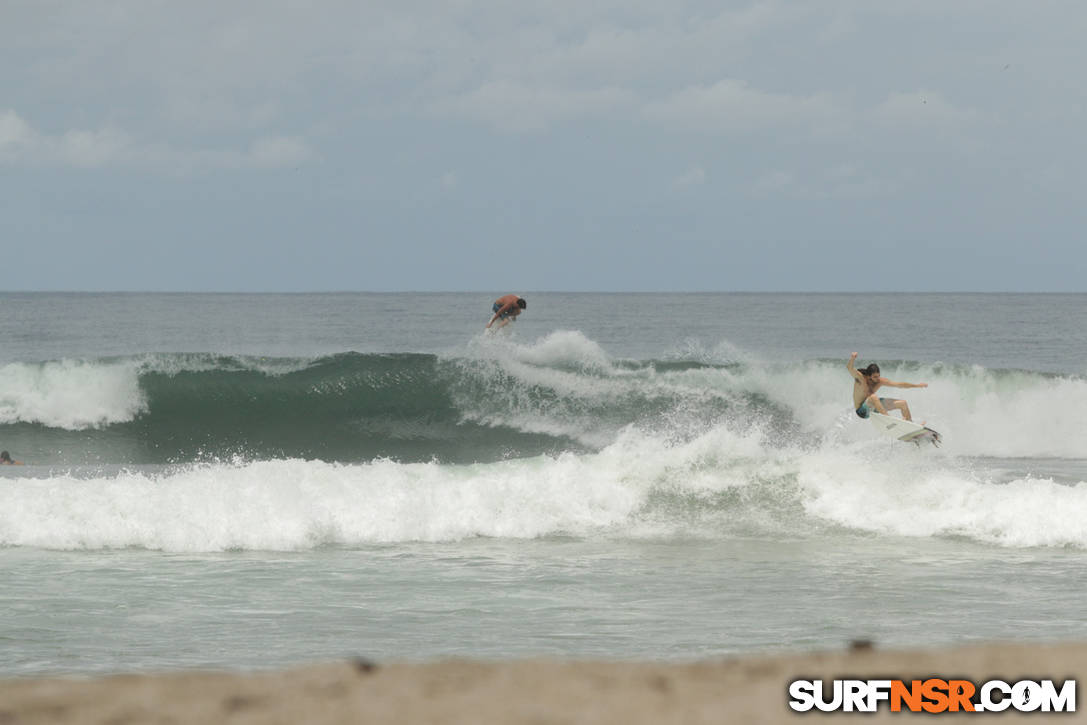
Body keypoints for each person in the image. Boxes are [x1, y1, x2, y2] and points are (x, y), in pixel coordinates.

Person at [847, 352, 928, 422]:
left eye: (878, 376)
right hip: (862, 411)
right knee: (873, 397)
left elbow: (900, 385)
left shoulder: (880, 381)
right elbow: (849, 368)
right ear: (868, 376)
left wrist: (917, 386)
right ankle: (889, 420)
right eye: (875, 377)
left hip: (874, 407)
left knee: (903, 403)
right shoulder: (861, 379)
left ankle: (910, 425)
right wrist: (852, 358)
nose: (877, 379)